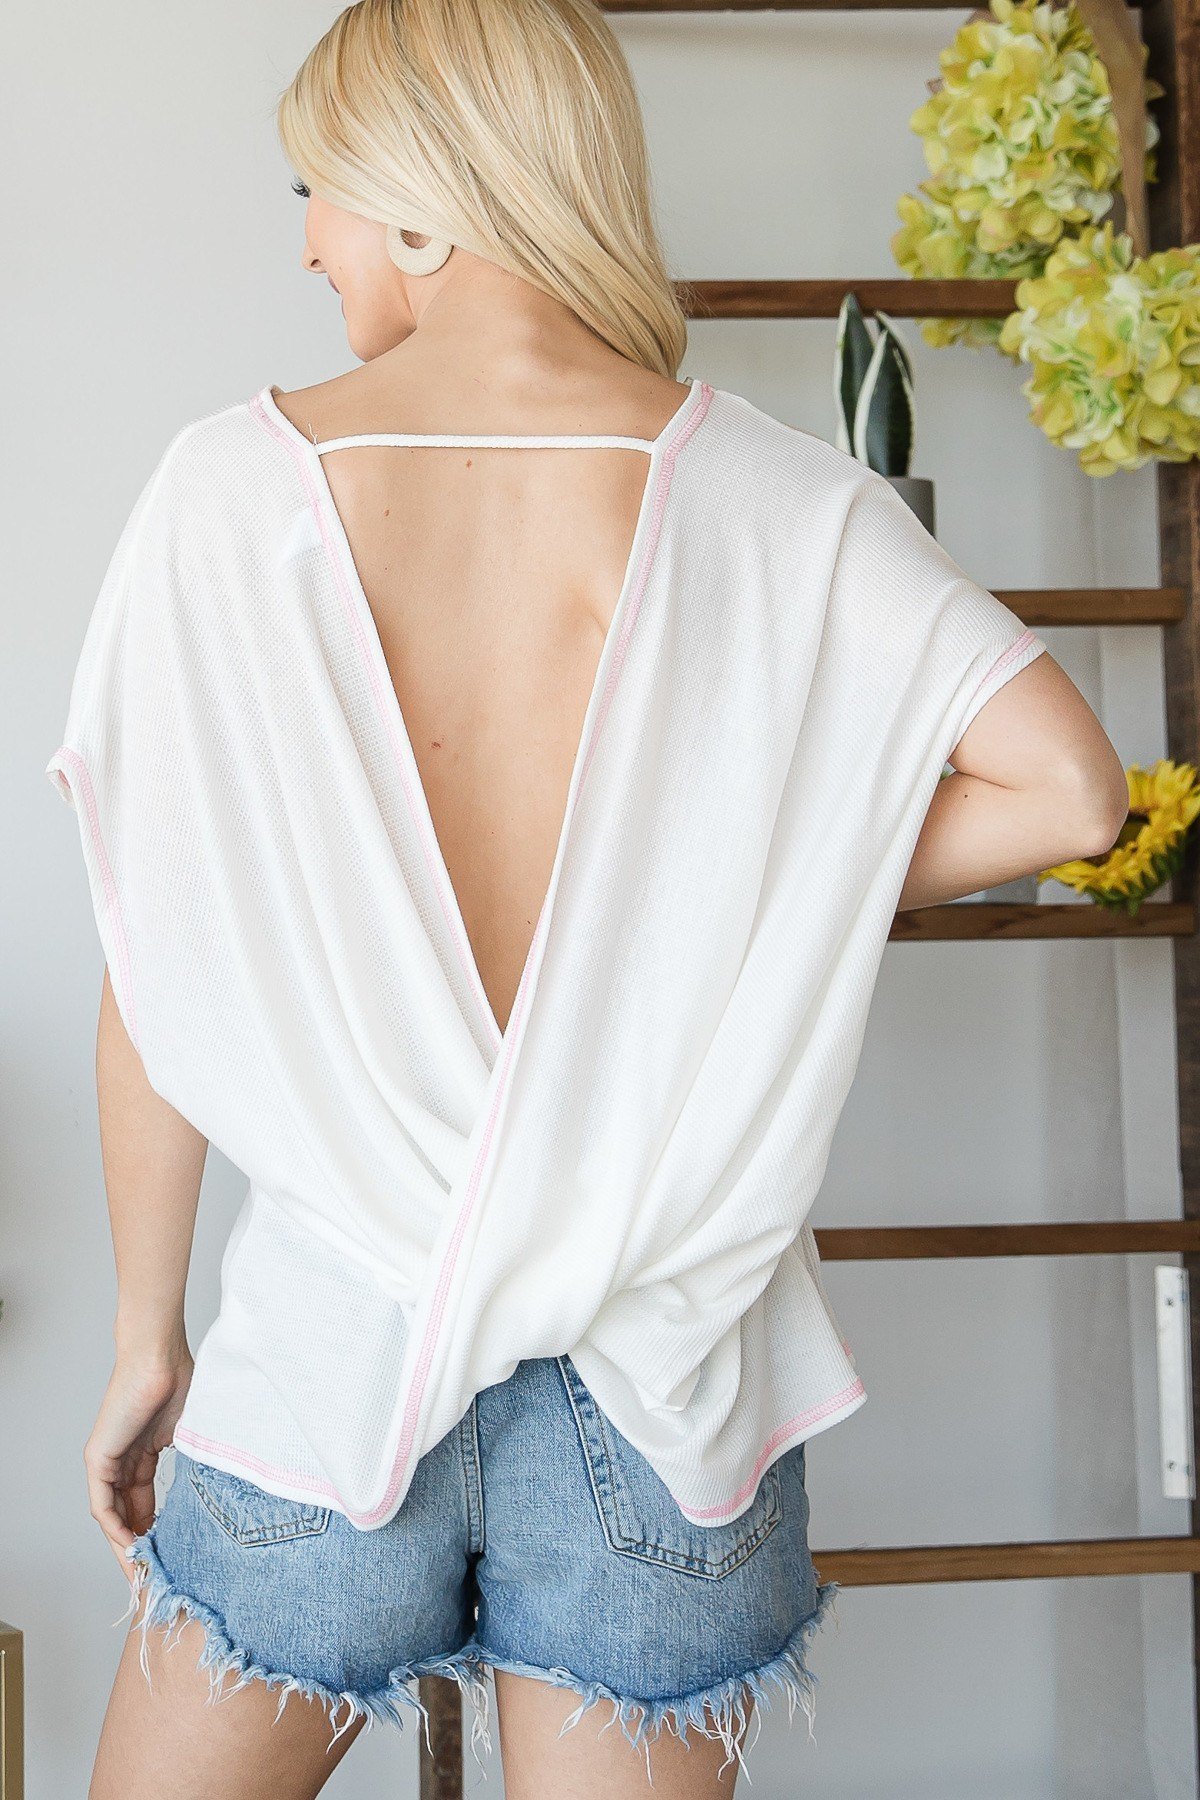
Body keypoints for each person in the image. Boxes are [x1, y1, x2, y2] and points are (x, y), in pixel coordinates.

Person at [46, 1, 1127, 1796]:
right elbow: (1074, 795)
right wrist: (763, 876)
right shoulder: (782, 498)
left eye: (319, 188)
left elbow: (163, 964)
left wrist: (145, 1335)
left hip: (334, 1361)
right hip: (665, 1390)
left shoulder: (228, 493)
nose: (305, 240)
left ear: (423, 202)